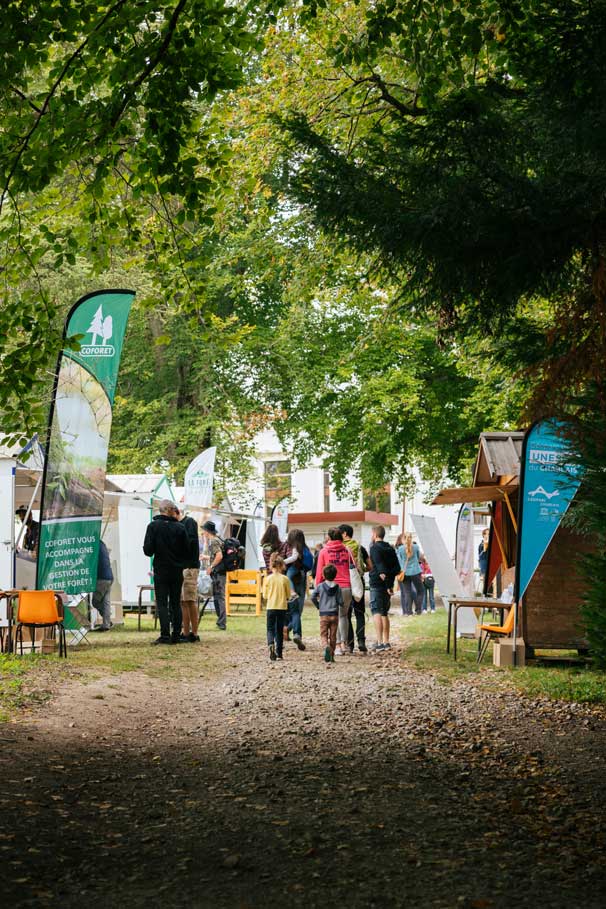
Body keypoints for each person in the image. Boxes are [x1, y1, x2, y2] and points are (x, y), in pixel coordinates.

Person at [143, 499, 189, 645]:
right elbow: (187, 550)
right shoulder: (181, 528)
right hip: (176, 570)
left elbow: (148, 551)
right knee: (175, 602)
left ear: (160, 510)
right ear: (172, 510)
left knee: (162, 603)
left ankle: (164, 635)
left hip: (161, 569)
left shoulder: (153, 526)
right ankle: (176, 634)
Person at [314, 528, 352, 656]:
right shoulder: (347, 550)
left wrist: (318, 588)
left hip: (329, 587)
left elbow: (319, 572)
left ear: (329, 538)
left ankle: (335, 646)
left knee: (334, 616)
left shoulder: (324, 551)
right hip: (346, 586)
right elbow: (354, 567)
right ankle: (343, 645)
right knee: (343, 616)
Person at [368, 525, 400, 651]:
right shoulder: (390, 548)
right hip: (388, 584)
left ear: (375, 534)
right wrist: (390, 585)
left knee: (376, 611)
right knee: (384, 612)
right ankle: (387, 641)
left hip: (377, 583)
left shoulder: (374, 548)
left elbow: (381, 570)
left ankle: (380, 642)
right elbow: (397, 568)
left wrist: (387, 584)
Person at [338, 523, 368, 654]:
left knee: (346, 614)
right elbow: (370, 566)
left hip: (346, 583)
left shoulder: (342, 548)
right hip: (358, 582)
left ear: (344, 534)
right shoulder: (360, 547)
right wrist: (360, 570)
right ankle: (361, 641)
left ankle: (350, 644)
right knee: (360, 613)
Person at [174, 506, 201, 643]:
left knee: (190, 600)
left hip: (189, 567)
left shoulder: (189, 523)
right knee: (183, 601)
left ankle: (194, 633)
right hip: (182, 567)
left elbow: (190, 544)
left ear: (176, 512)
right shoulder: (179, 524)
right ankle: (185, 632)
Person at [311, 562, 343, 663]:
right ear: (335, 575)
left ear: (323, 575)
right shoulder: (338, 587)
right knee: (333, 636)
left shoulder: (320, 586)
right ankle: (332, 655)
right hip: (334, 614)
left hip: (324, 614)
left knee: (323, 634)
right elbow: (341, 601)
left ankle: (326, 647)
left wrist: (318, 606)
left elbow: (312, 596)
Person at [282, 527, 307, 651]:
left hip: (291, 575)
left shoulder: (291, 546)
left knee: (292, 609)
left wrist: (282, 562)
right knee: (298, 610)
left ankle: (287, 628)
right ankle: (295, 633)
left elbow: (293, 558)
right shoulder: (304, 547)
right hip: (301, 576)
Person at [263, 553, 291, 661]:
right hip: (282, 607)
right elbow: (288, 595)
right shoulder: (285, 579)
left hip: (271, 607)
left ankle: (270, 644)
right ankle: (279, 653)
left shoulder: (268, 579)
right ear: (281, 566)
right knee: (279, 630)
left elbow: (265, 595)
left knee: (270, 628)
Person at [201, 520, 227, 630]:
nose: (203, 533)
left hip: (218, 573)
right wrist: (206, 557)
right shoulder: (217, 540)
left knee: (219, 597)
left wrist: (211, 567)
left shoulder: (214, 541)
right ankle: (220, 621)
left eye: (204, 531)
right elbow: (216, 556)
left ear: (207, 531)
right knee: (217, 596)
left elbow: (219, 556)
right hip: (220, 572)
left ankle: (222, 622)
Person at [400, 532, 425, 616]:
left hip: (405, 572)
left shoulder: (400, 549)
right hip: (415, 571)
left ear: (403, 539)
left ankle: (408, 612)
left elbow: (400, 560)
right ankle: (418, 610)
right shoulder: (416, 547)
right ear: (411, 538)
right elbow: (418, 558)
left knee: (407, 592)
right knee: (421, 590)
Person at [91, 540, 113, 632]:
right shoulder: (102, 543)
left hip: (101, 579)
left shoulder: (92, 545)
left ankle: (107, 620)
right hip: (110, 577)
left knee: (95, 602)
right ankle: (106, 624)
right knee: (105, 602)